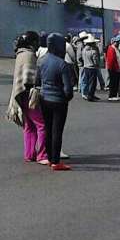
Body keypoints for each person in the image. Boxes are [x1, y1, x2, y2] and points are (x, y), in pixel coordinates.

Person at [7, 31, 49, 165]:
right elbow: (30, 78)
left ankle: (29, 154)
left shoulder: (20, 54)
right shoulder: (29, 55)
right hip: (28, 94)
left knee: (28, 126)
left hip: (19, 94)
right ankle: (42, 155)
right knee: (41, 125)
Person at [36, 33, 74, 171]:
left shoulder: (41, 60)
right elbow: (68, 89)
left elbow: (37, 81)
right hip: (59, 101)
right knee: (57, 131)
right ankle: (56, 161)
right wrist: (66, 98)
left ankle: (49, 157)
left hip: (44, 99)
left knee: (47, 129)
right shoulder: (62, 64)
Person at [81, 35, 100, 102]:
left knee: (88, 82)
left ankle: (90, 94)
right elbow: (96, 61)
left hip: (86, 67)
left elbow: (83, 58)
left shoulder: (84, 50)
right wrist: (97, 65)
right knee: (93, 83)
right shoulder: (93, 51)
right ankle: (91, 96)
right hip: (92, 68)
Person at [106, 36, 120, 101]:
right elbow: (112, 60)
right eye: (116, 42)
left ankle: (114, 95)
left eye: (118, 42)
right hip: (113, 69)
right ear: (113, 42)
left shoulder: (115, 48)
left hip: (116, 68)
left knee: (116, 82)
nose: (118, 43)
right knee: (113, 83)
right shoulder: (111, 48)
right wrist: (115, 68)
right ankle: (112, 95)